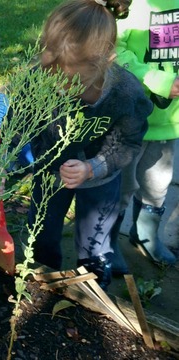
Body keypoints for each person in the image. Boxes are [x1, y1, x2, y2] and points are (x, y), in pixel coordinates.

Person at [28, 0, 152, 290]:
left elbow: (128, 141)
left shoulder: (125, 92)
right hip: (50, 171)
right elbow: (19, 125)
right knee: (42, 232)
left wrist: (93, 167)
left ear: (107, 61)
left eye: (73, 82)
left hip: (100, 178)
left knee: (96, 240)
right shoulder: (38, 76)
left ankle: (93, 289)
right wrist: (9, 166)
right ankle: (42, 282)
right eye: (54, 76)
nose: (62, 87)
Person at [111, 0, 178, 273]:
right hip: (131, 118)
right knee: (123, 184)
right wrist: (157, 80)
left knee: (158, 182)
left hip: (169, 118)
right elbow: (114, 50)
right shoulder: (130, 5)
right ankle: (108, 240)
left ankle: (146, 233)